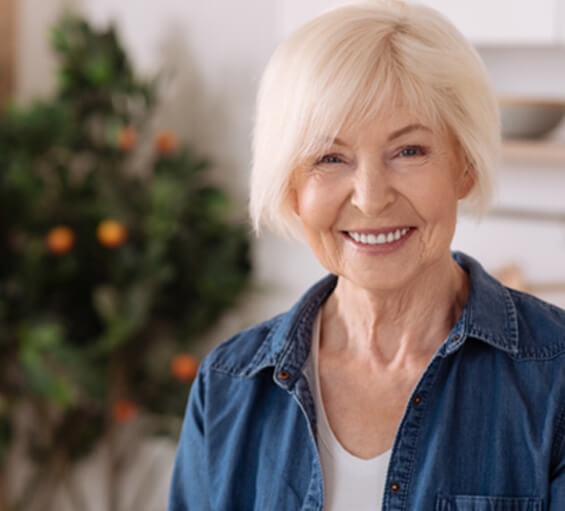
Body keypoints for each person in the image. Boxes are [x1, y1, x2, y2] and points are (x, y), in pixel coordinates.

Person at [169, 1, 565, 509]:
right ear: (291, 186)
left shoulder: (554, 378)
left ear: (464, 166)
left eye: (409, 151)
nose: (370, 196)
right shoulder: (228, 386)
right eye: (330, 158)